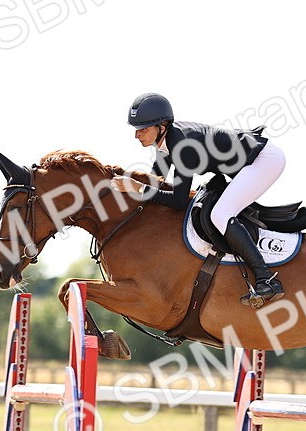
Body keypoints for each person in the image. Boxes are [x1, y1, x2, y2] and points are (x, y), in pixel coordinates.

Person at [116, 92, 285, 307]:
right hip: (251, 163)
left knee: (220, 214)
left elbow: (178, 200)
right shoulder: (167, 142)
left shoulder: (181, 146)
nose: (137, 135)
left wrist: (138, 188)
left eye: (143, 129)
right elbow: (156, 181)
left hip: (264, 161)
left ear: (162, 125)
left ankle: (266, 279)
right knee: (219, 211)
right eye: (136, 129)